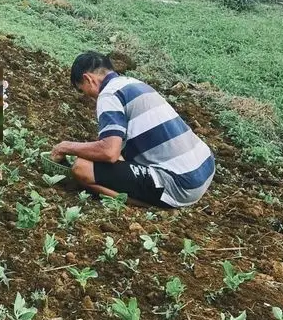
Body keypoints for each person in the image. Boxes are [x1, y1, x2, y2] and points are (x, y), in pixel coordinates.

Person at [50, 51, 215, 208]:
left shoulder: (108, 95)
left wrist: (66, 147)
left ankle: (154, 205)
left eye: (82, 90)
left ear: (89, 79)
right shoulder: (132, 83)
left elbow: (109, 152)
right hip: (204, 168)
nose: (87, 96)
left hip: (181, 184)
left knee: (81, 168)